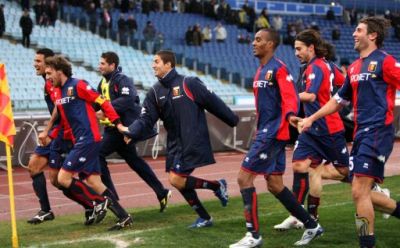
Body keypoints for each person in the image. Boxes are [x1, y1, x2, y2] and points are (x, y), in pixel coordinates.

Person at [299, 17, 400, 248]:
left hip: (378, 133)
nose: (354, 34)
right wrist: (311, 118)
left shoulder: (386, 62)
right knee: (361, 191)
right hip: (361, 135)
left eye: (359, 30)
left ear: (372, 35)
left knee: (358, 192)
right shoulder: (354, 67)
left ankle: (367, 244)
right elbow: (337, 101)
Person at [119, 50, 238, 228]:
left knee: (176, 179)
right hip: (175, 143)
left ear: (169, 64)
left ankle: (216, 188)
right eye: (153, 61)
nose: (153, 65)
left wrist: (232, 119)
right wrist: (132, 132)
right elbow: (146, 119)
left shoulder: (188, 83)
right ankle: (206, 214)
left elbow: (213, 101)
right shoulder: (154, 91)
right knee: (179, 181)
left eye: (157, 61)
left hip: (192, 139)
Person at [229, 28, 323, 248]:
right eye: (254, 39)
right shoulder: (260, 71)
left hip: (273, 133)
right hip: (267, 132)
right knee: (274, 184)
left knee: (244, 179)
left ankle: (253, 235)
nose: (254, 43)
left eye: (259, 40)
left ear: (270, 44)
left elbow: (290, 98)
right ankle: (312, 225)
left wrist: (291, 117)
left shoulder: (279, 69)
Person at [45, 55, 132, 230]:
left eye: (49, 73)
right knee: (94, 182)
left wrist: (118, 124)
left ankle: (99, 203)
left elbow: (103, 103)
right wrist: (52, 134)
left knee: (63, 178)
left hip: (89, 138)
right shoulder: (57, 92)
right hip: (79, 141)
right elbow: (64, 120)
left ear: (60, 71)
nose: (47, 77)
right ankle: (124, 217)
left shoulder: (79, 85)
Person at [274, 30, 350, 229]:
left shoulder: (316, 66)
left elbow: (311, 96)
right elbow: (345, 83)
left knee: (342, 171)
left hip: (328, 128)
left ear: (311, 48)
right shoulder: (327, 65)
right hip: (311, 128)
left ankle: (369, 184)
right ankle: (301, 215)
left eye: (299, 49)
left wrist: (286, 95)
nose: (296, 53)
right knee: (300, 166)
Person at [95, 51, 171, 212]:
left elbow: (128, 100)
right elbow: (95, 102)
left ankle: (111, 197)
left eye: (102, 63)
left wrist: (105, 109)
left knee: (97, 154)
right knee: (135, 162)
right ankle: (161, 192)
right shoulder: (102, 83)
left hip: (122, 128)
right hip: (114, 128)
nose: (99, 66)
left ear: (112, 65)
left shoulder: (123, 80)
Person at [26, 48, 58, 224]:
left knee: (59, 180)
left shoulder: (52, 81)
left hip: (62, 133)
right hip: (54, 131)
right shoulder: (47, 81)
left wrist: (48, 130)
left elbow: (60, 108)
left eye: (38, 61)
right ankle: (46, 210)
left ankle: (95, 203)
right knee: (34, 166)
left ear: (48, 63)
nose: (35, 64)